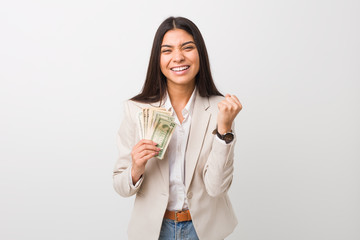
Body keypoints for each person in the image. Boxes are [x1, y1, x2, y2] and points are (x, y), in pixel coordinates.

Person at [113, 16, 242, 240]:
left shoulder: (219, 110)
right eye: (167, 50)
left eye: (187, 48)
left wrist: (224, 131)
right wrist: (136, 168)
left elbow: (217, 188)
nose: (178, 57)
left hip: (204, 230)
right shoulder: (135, 110)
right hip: (154, 230)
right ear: (158, 59)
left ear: (199, 53)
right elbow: (121, 186)